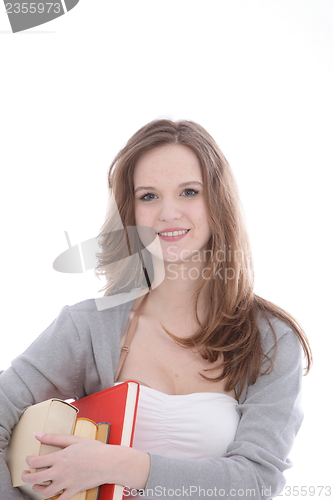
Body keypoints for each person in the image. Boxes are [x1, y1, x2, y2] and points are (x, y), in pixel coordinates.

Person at [0, 119, 312, 500]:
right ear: (129, 211)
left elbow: (256, 482)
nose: (168, 213)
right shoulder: (89, 327)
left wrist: (116, 464)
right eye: (148, 196)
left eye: (189, 192)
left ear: (218, 201)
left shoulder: (271, 339)